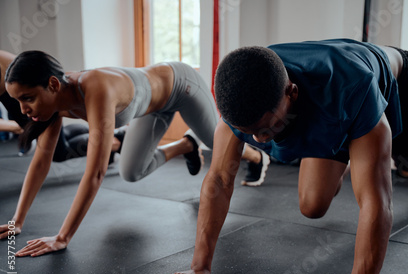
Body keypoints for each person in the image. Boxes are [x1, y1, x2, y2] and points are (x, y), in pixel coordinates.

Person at [148, 39, 408, 274]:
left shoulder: (353, 89)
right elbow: (220, 179)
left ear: (291, 92)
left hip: (397, 79)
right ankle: (352, 148)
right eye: (249, 133)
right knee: (312, 206)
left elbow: (377, 203)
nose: (261, 140)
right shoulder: (240, 97)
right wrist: (199, 265)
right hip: (331, 101)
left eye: (266, 128)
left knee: (407, 160)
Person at [0, 50, 269, 253]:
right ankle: (186, 144)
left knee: (216, 142)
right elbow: (41, 161)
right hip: (152, 108)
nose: (23, 110)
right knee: (131, 172)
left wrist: (62, 238)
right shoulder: (52, 107)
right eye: (17, 101)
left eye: (28, 99)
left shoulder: (95, 88)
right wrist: (16, 222)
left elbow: (95, 173)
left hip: (181, 86)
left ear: (53, 85)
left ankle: (258, 156)